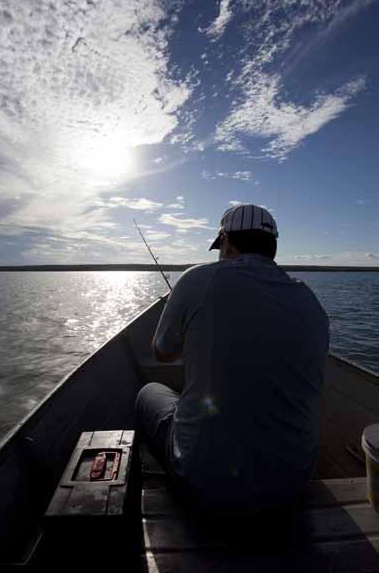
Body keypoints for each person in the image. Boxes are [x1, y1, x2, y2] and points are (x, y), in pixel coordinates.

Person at [135, 204, 329, 516]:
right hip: (292, 483)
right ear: (272, 249)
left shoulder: (196, 279)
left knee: (148, 393)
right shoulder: (310, 301)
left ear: (226, 241)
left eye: (220, 247)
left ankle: (164, 494)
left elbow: (162, 351)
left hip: (206, 486)